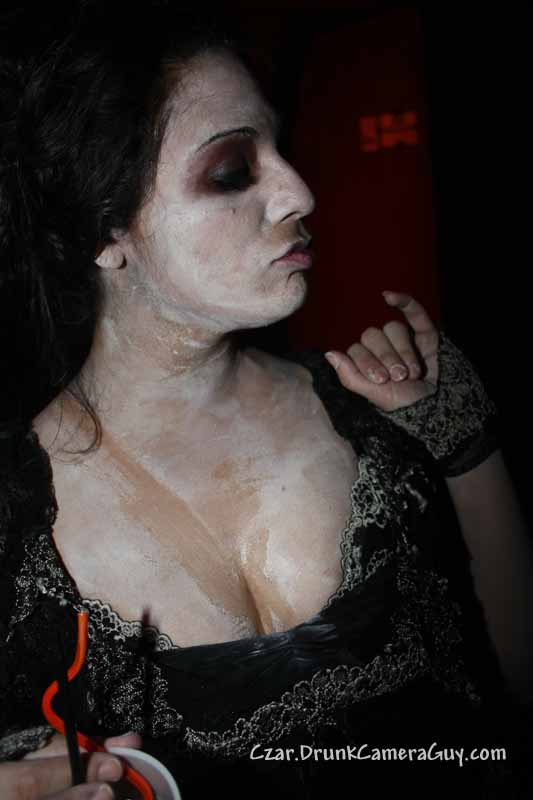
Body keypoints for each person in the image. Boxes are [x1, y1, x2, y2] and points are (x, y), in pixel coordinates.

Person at [1, 1, 532, 798]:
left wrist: (467, 449)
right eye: (231, 172)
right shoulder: (13, 517)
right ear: (104, 232)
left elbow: (513, 699)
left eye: (280, 150)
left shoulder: (378, 409)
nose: (299, 193)